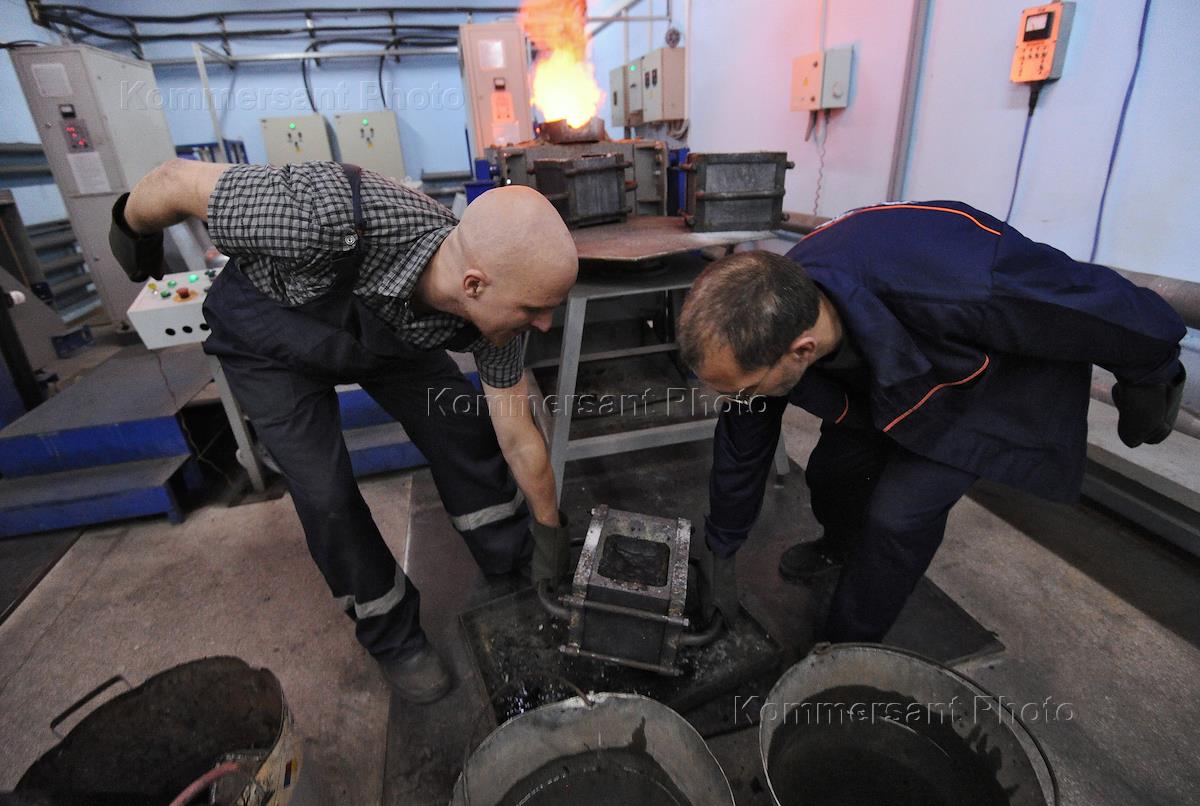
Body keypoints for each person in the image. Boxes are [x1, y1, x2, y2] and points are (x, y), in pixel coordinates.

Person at [109, 158, 578, 703]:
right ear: (474, 285)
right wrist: (129, 229)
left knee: (462, 425)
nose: (544, 325)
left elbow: (518, 433)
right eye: (535, 310)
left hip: (391, 338)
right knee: (326, 494)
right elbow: (174, 181)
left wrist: (549, 538)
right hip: (268, 340)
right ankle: (393, 636)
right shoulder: (313, 214)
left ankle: (509, 552)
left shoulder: (496, 311)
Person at [681, 200, 1187, 644]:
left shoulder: (964, 282)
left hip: (974, 390)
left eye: (743, 389)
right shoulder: (774, 308)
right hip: (884, 384)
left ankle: (848, 648)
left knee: (896, 517)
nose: (738, 400)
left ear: (802, 350)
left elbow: (1089, 299)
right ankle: (840, 548)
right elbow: (745, 438)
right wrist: (722, 545)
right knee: (834, 473)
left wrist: (1154, 369)